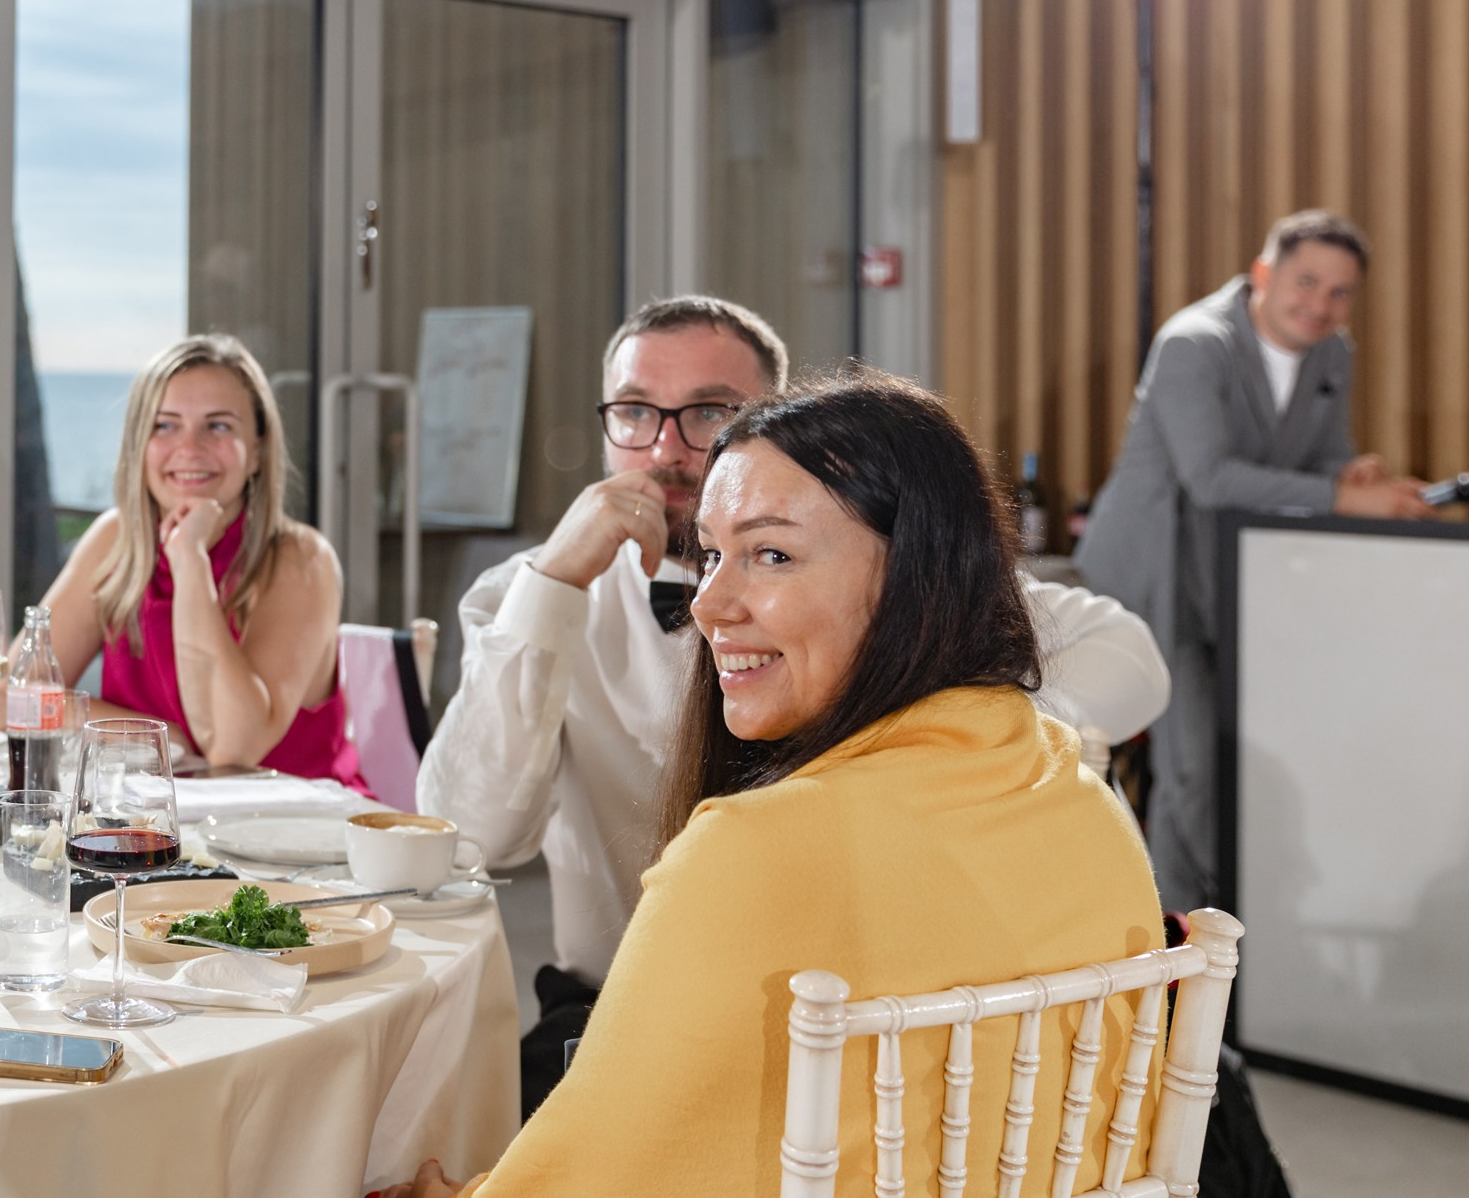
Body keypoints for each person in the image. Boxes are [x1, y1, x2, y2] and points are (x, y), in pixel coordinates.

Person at [288, 374, 1165, 1198]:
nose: (712, 606)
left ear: (911, 570)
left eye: (771, 556)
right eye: (711, 556)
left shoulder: (760, 847)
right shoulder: (1076, 793)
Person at [418, 296, 1168, 1113]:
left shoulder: (875, 586)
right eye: (635, 411)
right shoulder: (537, 594)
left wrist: (944, 751)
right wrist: (552, 587)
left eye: (708, 412)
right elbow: (470, 834)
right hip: (619, 1007)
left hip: (869, 1014)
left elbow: (1130, 656)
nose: (666, 448)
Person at [1076, 209, 1432, 910]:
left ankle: (1235, 929)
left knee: (1242, 761)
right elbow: (1209, 477)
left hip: (1245, 578)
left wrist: (1352, 478)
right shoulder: (1192, 343)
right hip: (1158, 575)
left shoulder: (1334, 356)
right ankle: (1180, 942)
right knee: (1193, 770)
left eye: (1340, 292)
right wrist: (1340, 498)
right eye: (1307, 283)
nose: (1321, 305)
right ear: (1264, 274)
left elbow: (1323, 459)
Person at [29, 333, 363, 786]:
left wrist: (189, 560)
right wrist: (160, 738)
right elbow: (12, 701)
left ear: (258, 451)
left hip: (290, 835)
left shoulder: (300, 560)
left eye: (219, 426)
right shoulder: (116, 540)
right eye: (165, 425)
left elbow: (234, 749)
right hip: (150, 825)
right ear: (139, 445)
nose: (190, 448)